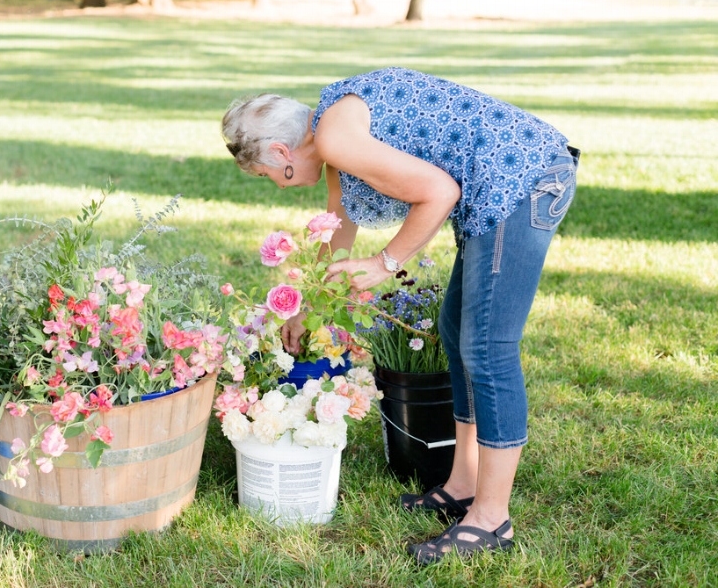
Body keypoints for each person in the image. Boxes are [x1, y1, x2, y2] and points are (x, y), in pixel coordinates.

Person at [221, 67, 579, 565]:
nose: (280, 187)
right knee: (457, 335)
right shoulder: (332, 130)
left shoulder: (335, 135)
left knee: (487, 349)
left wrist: (385, 262)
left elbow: (440, 190)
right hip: (505, 181)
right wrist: (307, 307)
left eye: (269, 176)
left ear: (282, 153)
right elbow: (338, 226)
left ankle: (491, 518)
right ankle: (462, 485)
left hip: (525, 178)